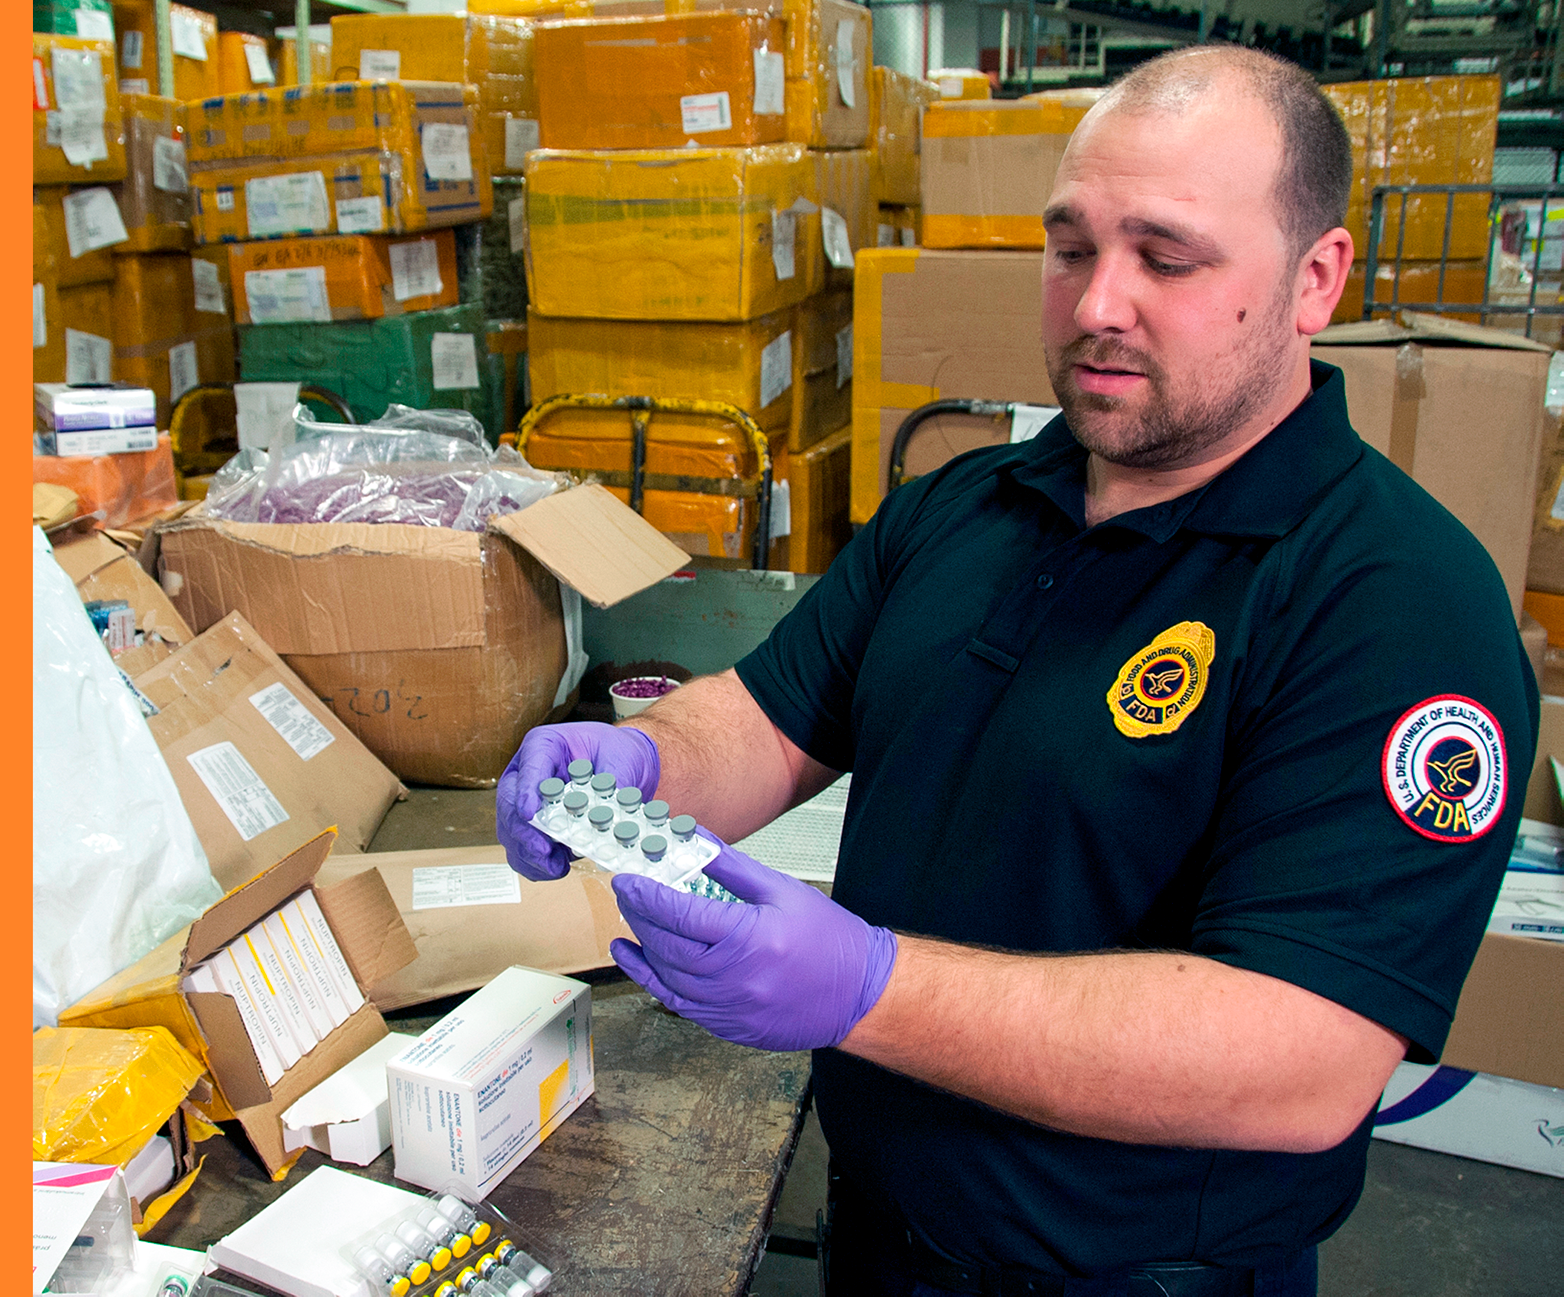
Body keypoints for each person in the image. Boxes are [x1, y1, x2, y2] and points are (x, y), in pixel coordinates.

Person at [496, 46, 1538, 1297]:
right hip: (878, 1226)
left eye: (1165, 257)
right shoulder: (966, 507)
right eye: (1070, 247)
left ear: (1313, 280)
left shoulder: (1390, 603)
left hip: (1129, 1271)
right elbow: (774, 718)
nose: (1099, 302)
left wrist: (868, 990)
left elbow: (1302, 1059)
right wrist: (647, 760)